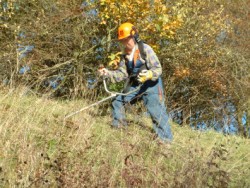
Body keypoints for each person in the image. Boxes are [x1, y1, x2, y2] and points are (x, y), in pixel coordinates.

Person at [98, 22, 173, 142]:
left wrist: (149, 74)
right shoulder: (125, 56)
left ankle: (165, 141)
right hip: (136, 84)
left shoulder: (145, 49)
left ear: (134, 36)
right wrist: (107, 73)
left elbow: (158, 69)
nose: (125, 43)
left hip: (152, 85)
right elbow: (122, 74)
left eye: (127, 39)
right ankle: (119, 128)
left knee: (156, 111)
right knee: (118, 100)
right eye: (122, 40)